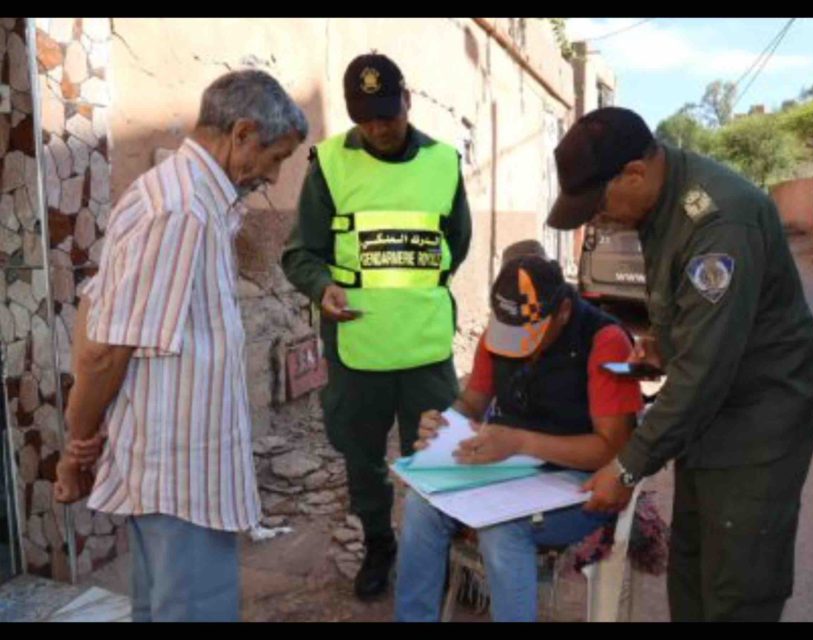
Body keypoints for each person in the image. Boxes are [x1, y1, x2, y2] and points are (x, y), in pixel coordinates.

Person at [545, 106, 813, 622]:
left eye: (598, 203)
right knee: (694, 564)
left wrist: (627, 467)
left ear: (634, 172)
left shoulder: (720, 222)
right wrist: (663, 346)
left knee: (739, 578)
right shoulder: (661, 203)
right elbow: (698, 324)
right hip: (711, 414)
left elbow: (705, 372)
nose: (597, 218)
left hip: (761, 419)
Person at [53, 69, 308, 621]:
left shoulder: (184, 198)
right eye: (276, 157)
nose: (273, 173)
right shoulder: (182, 211)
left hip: (179, 474)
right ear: (242, 133)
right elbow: (104, 348)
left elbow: (94, 305)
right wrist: (77, 443)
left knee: (163, 609)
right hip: (181, 477)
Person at [280, 52, 472, 599]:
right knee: (363, 462)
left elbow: (454, 245)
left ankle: (431, 554)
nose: (378, 128)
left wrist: (410, 290)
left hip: (426, 348)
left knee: (435, 458)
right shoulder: (331, 164)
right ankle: (379, 545)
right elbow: (300, 255)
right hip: (357, 347)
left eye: (387, 114)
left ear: (407, 102)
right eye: (366, 118)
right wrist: (323, 288)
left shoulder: (443, 163)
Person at [394, 254, 644, 622]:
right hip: (509, 470)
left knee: (502, 529)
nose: (517, 348)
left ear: (561, 311)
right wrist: (447, 424)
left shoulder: (603, 341)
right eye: (508, 334)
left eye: (529, 335)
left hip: (581, 481)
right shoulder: (501, 331)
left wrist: (519, 442)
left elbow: (614, 450)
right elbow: (472, 401)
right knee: (420, 505)